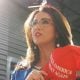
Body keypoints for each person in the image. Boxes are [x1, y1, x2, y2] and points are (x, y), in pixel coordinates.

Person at [11, 4, 80, 80]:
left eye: (45, 22)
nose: (37, 27)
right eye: (34, 23)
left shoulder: (73, 67)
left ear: (57, 31)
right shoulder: (19, 72)